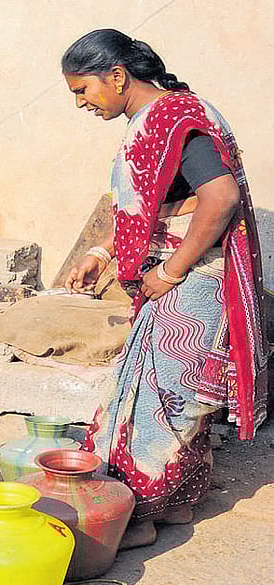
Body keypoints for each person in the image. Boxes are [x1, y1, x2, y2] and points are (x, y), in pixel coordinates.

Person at [61, 29, 268, 548]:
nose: (81, 103)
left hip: (195, 281)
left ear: (116, 76)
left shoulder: (180, 120)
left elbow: (219, 199)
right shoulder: (152, 124)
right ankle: (173, 507)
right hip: (170, 279)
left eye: (82, 90)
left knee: (165, 403)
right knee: (157, 395)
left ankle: (137, 514)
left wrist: (171, 270)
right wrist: (100, 253)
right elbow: (148, 205)